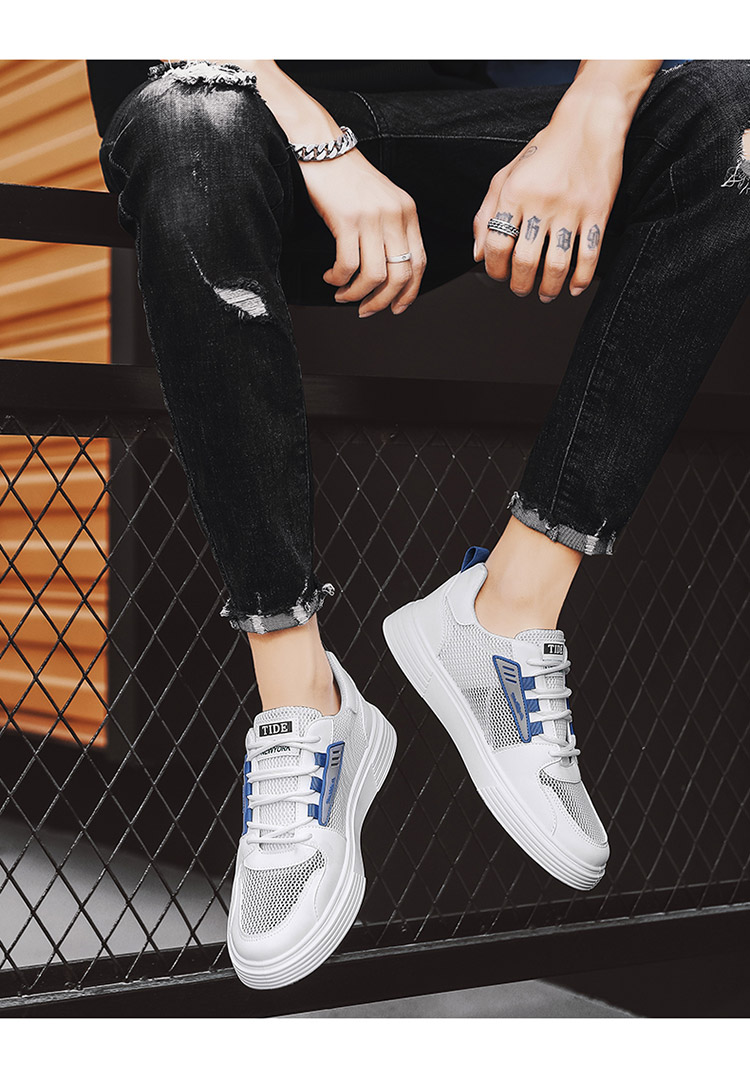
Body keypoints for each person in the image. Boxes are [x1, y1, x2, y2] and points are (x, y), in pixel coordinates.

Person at [89, 58, 750, 989]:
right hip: (236, 115)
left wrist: (596, 107)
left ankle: (504, 612)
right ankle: (305, 708)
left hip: (447, 116)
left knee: (731, 110)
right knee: (192, 122)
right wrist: (322, 144)